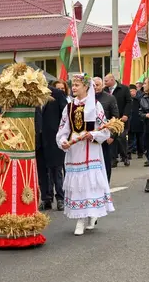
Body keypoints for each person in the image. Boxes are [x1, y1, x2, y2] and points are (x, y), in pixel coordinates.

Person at [56, 74, 114, 235]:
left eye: (77, 85)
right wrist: (63, 142)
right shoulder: (68, 107)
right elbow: (63, 129)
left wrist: (93, 135)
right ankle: (81, 217)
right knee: (78, 185)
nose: (74, 87)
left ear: (86, 87)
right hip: (75, 151)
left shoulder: (95, 106)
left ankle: (88, 215)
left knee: (90, 182)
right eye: (73, 85)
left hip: (91, 150)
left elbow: (105, 129)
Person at [36, 83, 66, 211]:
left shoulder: (57, 94)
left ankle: (60, 198)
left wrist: (63, 135)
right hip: (39, 139)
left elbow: (65, 116)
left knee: (56, 170)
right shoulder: (32, 96)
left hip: (54, 138)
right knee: (42, 171)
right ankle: (46, 198)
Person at [92, 76, 119, 181]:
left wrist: (112, 135)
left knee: (106, 162)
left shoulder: (110, 98)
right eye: (93, 86)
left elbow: (115, 118)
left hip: (105, 135)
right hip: (92, 136)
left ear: (102, 85)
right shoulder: (87, 99)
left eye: (97, 85)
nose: (95, 88)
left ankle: (106, 183)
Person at [104, 74, 131, 167]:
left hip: (122, 118)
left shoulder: (124, 88)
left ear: (112, 80)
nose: (105, 83)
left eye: (106, 81)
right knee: (112, 138)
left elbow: (129, 102)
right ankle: (113, 159)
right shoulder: (105, 90)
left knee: (121, 138)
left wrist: (126, 114)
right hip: (110, 119)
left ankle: (125, 156)